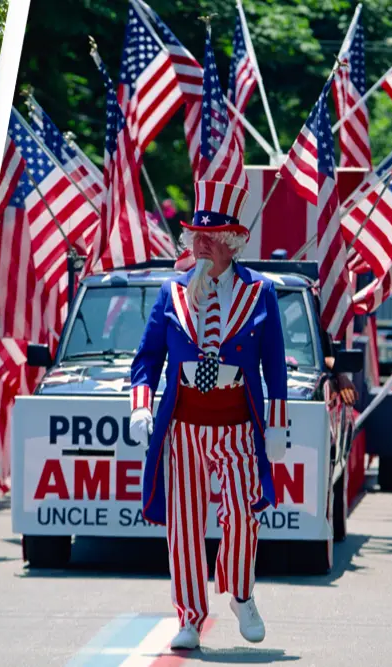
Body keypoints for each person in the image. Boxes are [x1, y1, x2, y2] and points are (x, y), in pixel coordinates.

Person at [127, 180, 289, 651]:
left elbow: (275, 365)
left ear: (231, 243)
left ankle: (240, 592)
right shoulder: (171, 292)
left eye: (209, 237)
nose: (199, 244)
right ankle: (189, 615)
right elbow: (147, 359)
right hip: (182, 429)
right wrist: (141, 406)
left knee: (242, 516)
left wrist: (277, 423)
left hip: (237, 428)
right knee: (184, 526)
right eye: (194, 235)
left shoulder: (259, 293)